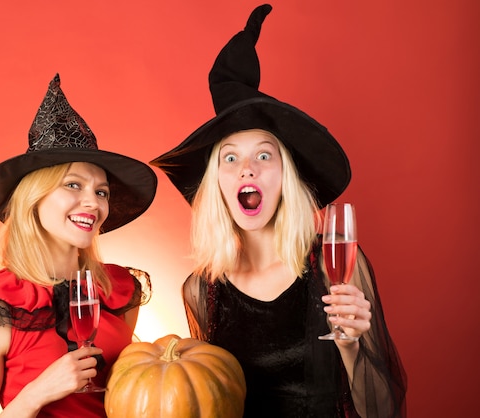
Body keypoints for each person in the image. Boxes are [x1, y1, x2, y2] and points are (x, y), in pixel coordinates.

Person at [150, 4, 406, 418]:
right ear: (216, 183)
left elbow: (382, 411)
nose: (246, 168)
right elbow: (212, 400)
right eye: (229, 159)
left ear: (286, 175)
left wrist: (351, 346)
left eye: (263, 156)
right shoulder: (203, 290)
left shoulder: (336, 267)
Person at [0, 73, 157, 418]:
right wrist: (37, 394)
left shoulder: (118, 290)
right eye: (73, 185)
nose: (93, 203)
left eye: (101, 191)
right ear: (34, 199)